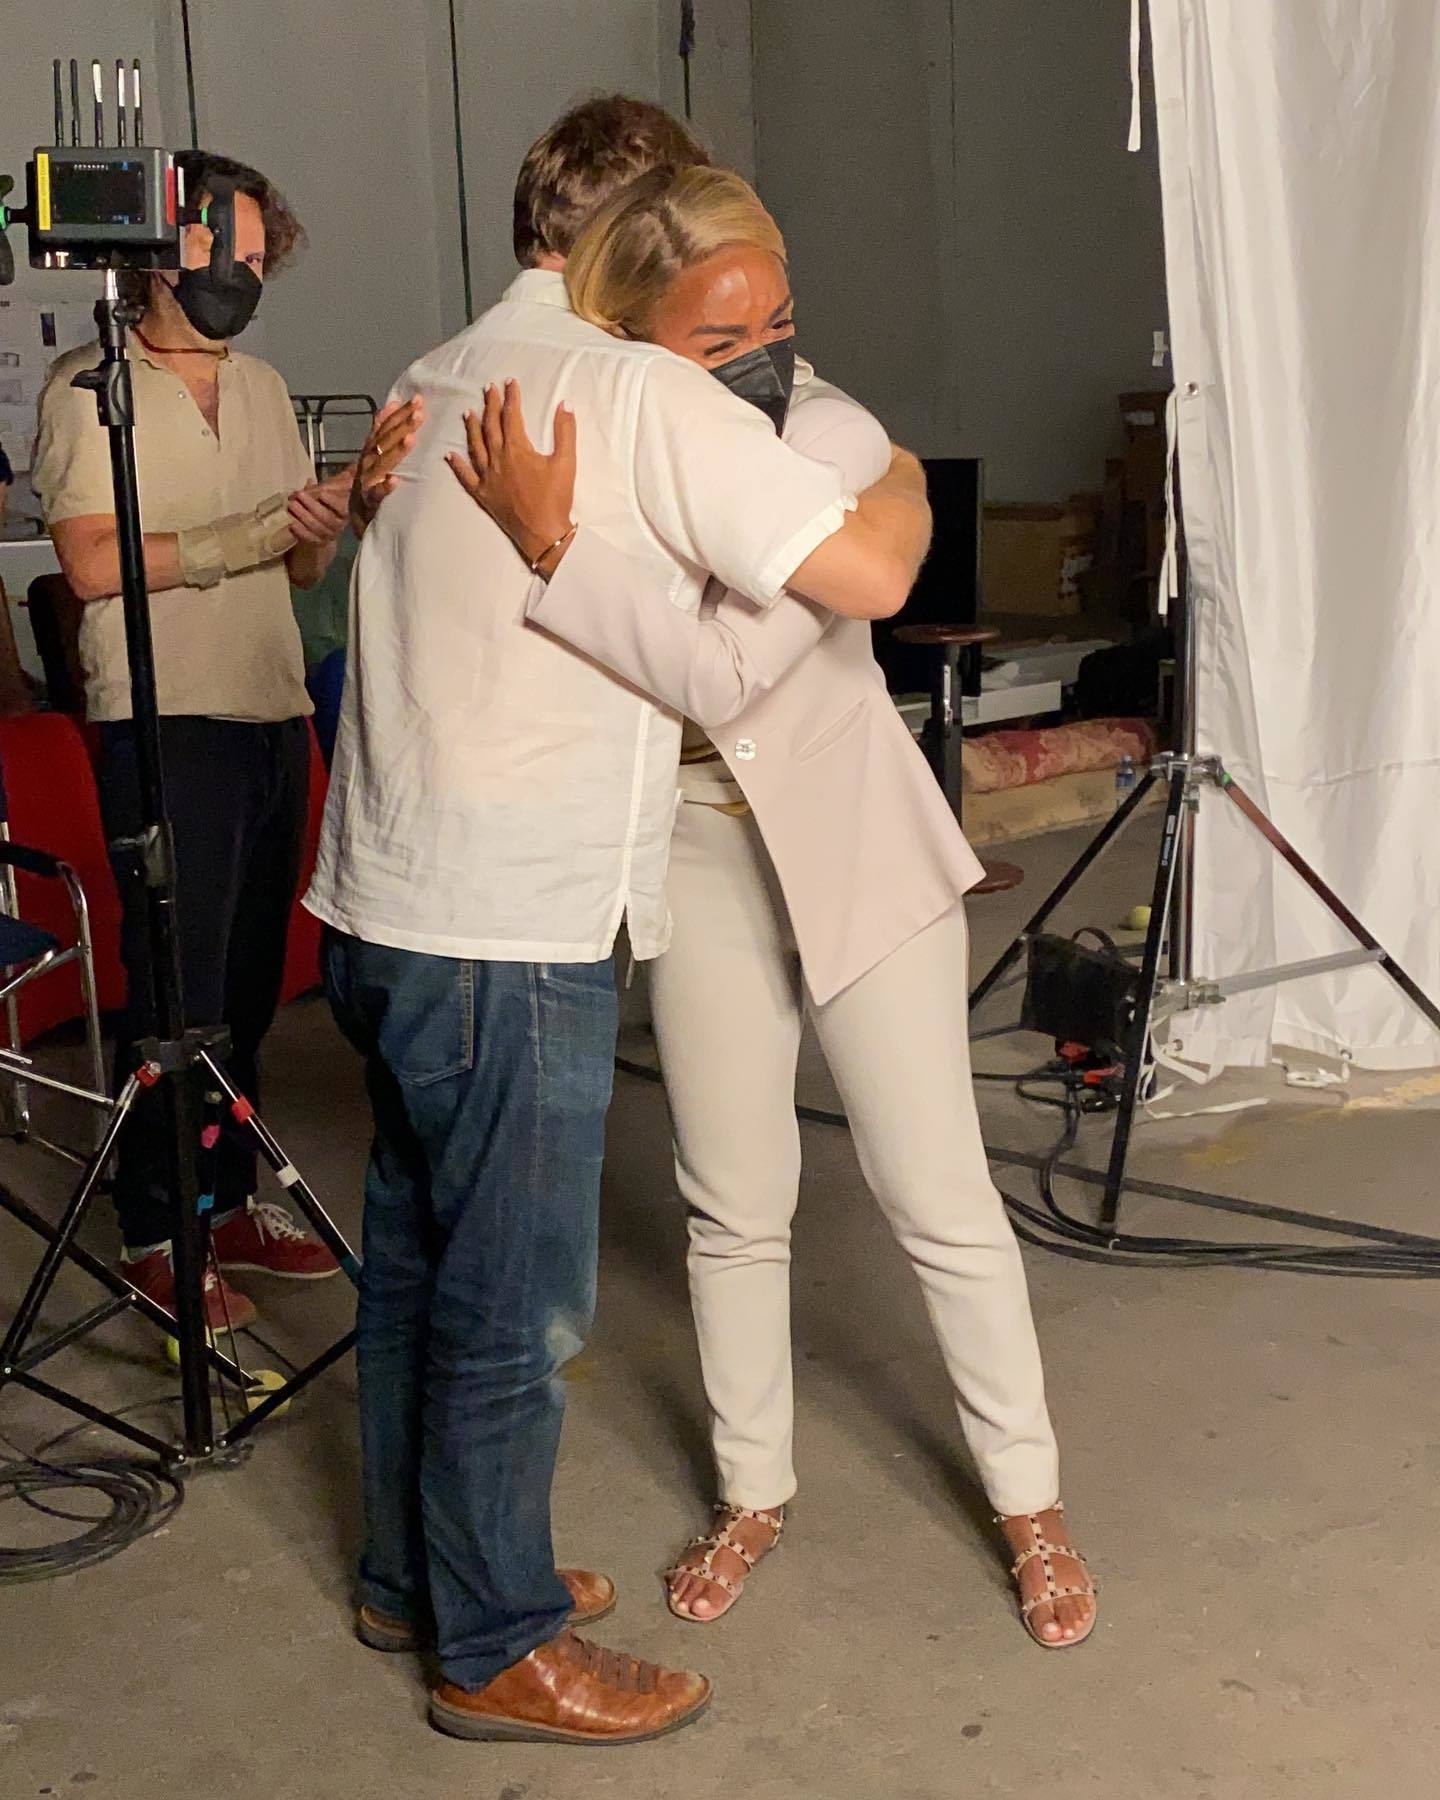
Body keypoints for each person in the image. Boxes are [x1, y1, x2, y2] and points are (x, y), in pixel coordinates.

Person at [309, 96, 932, 1748]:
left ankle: (419, 1575)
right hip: (510, 926)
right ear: (647, 236)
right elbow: (867, 577)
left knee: (417, 1269)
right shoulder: (636, 389)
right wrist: (895, 476)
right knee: (514, 1305)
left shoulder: (431, 372)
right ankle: (496, 1644)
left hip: (377, 907)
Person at [441, 164, 1099, 1651]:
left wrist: (556, 553)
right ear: (627, 337)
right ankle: (754, 1490)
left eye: (780, 321)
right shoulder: (603, 442)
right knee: (731, 1203)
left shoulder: (835, 438)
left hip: (859, 842)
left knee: (937, 1195)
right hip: (692, 848)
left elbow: (723, 670)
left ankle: (1031, 1500)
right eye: (720, 335)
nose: (767, 359)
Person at [30, 150, 346, 1328]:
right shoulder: (87, 387)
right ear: (166, 246)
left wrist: (327, 517)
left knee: (248, 994)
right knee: (180, 998)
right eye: (229, 251)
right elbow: (89, 565)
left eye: (262, 260)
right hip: (167, 720)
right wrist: (249, 534)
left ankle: (228, 1200)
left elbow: (300, 566)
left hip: (271, 710)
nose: (245, 278)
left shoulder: (264, 387)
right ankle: (158, 1231)